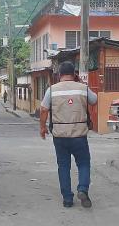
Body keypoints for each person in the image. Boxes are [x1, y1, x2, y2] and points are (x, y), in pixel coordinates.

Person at [39, 61, 98, 208]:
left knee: (63, 166)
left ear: (59, 74)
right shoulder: (82, 88)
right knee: (84, 163)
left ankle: (67, 199)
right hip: (79, 135)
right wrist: (80, 84)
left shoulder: (52, 90)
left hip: (60, 136)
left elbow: (44, 109)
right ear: (74, 74)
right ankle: (83, 189)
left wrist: (42, 127)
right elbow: (94, 100)